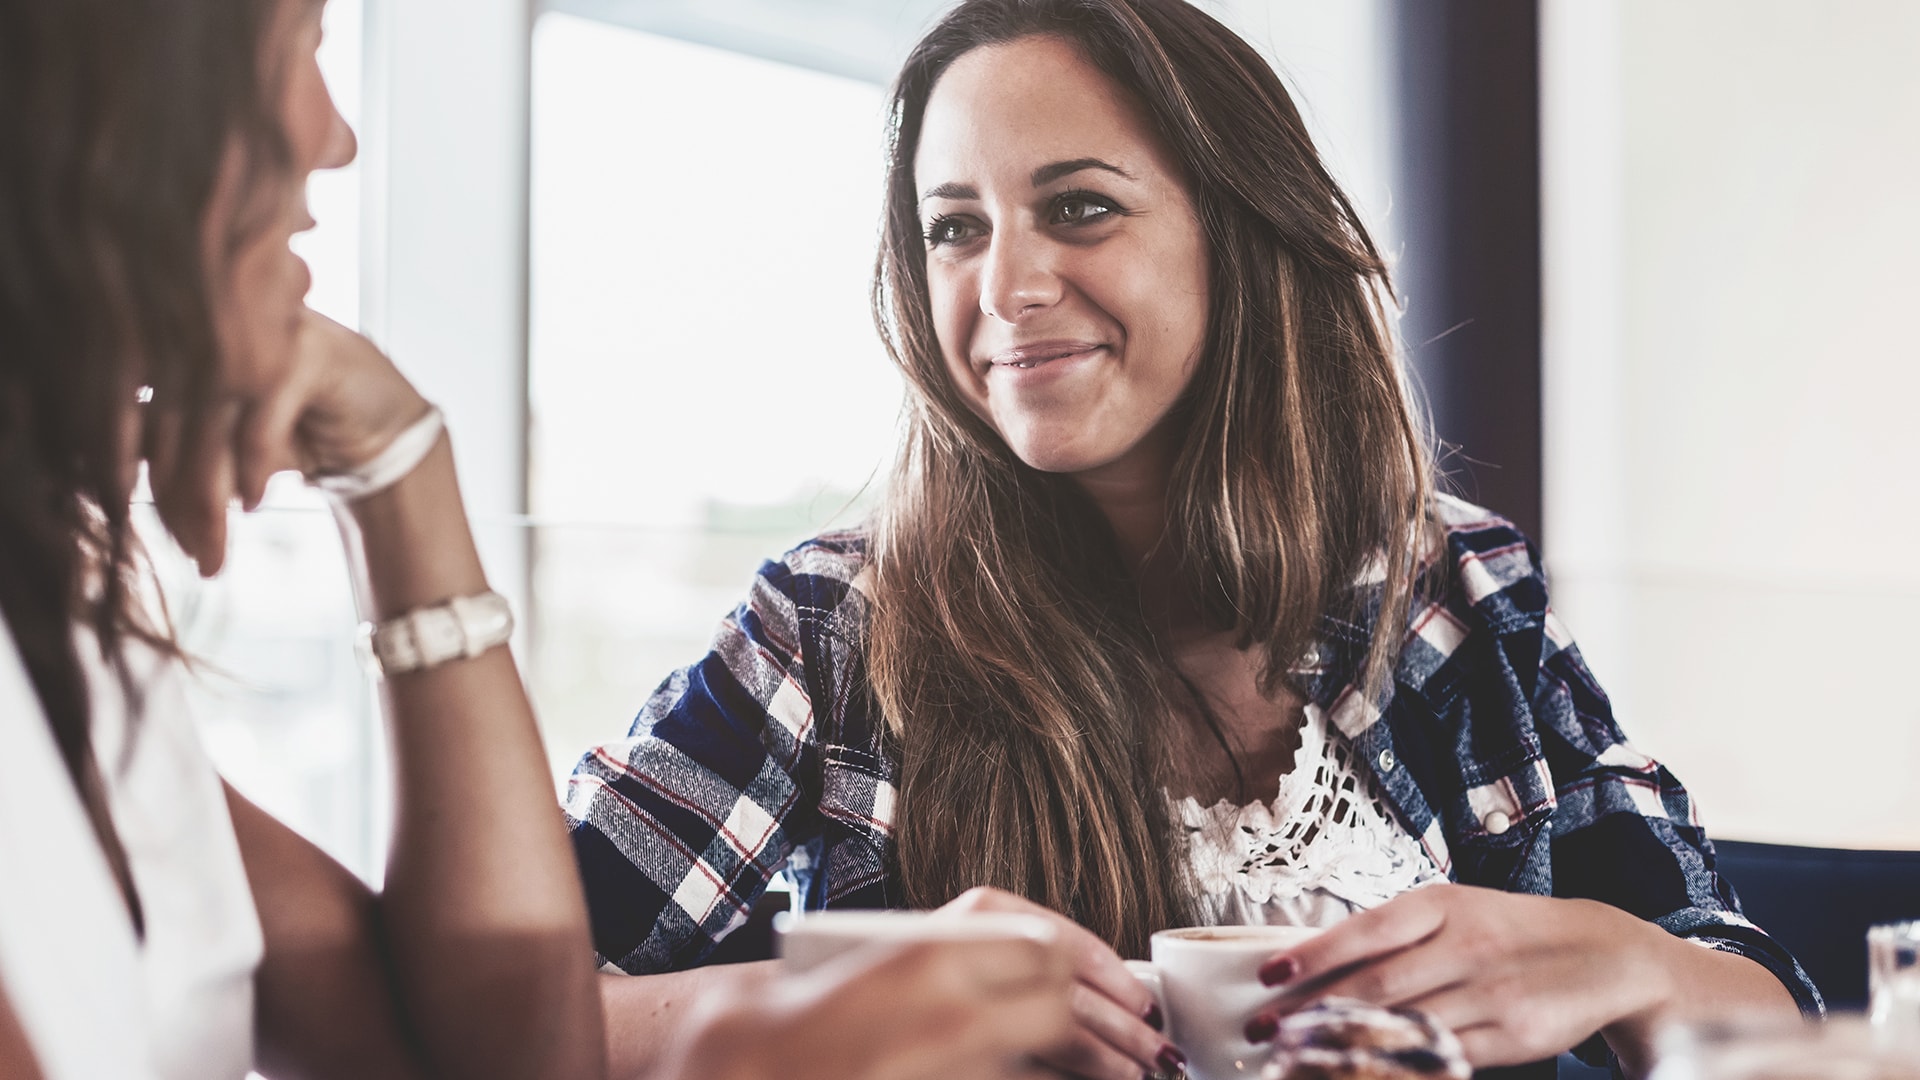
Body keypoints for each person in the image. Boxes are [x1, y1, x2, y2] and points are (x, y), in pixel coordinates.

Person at [565, 0, 1823, 1077]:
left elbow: (1776, 1022)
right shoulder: (834, 626)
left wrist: (1625, 962)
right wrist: (820, 1006)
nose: (1004, 286)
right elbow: (496, 1023)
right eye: (956, 226)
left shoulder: (1452, 586)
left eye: (1078, 207)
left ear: (1241, 234)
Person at [0, 0, 1076, 1078]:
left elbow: (488, 1054)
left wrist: (401, 472)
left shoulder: (85, 665)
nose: (337, 135)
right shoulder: (833, 616)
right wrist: (734, 1058)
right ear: (111, 105)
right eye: (296, 48)